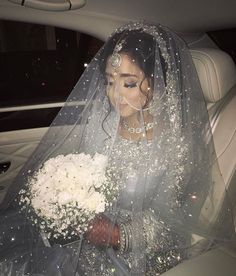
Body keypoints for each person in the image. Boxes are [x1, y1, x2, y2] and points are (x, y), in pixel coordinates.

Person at [0, 22, 234, 275]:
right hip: (88, 235)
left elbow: (172, 224)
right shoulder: (106, 124)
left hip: (137, 253)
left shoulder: (175, 144)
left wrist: (116, 235)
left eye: (129, 83)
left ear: (156, 83)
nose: (115, 95)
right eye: (110, 82)